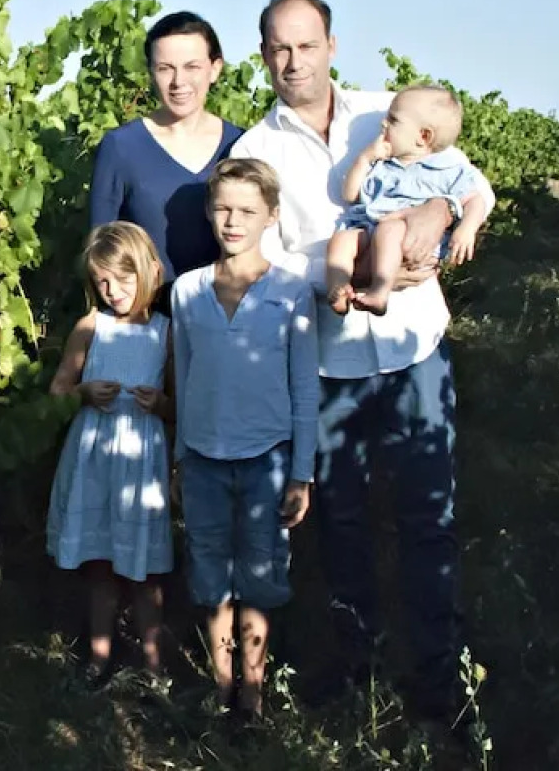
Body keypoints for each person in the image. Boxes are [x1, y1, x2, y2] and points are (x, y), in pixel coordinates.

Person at [228, 0, 495, 726]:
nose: (294, 61)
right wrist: (338, 273)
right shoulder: (255, 152)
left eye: (307, 45)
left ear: (332, 47)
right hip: (329, 364)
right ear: (263, 56)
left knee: (428, 516)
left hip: (415, 348)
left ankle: (440, 688)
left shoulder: (388, 112)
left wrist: (440, 215)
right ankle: (359, 677)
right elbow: (259, 261)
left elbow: (473, 186)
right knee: (341, 523)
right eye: (280, 48)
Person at [168, 158, 318, 722]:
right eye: (223, 209)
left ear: (271, 216)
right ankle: (221, 683)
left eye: (247, 211)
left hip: (267, 457)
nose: (233, 221)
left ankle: (252, 691)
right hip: (203, 456)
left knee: (260, 572)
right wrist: (180, 456)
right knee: (209, 570)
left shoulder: (291, 291)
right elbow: (184, 375)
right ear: (210, 213)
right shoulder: (187, 290)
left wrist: (301, 472)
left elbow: (304, 386)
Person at [44, 220, 176, 687]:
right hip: (96, 455)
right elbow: (58, 389)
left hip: (141, 460)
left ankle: (154, 664)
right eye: (102, 282)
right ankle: (99, 654)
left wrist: (159, 404)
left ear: (149, 273)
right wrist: (83, 392)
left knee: (144, 571)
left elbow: (179, 406)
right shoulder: (90, 327)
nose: (112, 291)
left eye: (122, 279)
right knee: (99, 562)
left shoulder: (165, 333)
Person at [89, 10, 246, 295]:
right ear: (151, 72)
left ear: (215, 69)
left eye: (191, 67)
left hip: (231, 316)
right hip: (148, 315)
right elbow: (100, 250)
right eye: (165, 68)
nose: (178, 81)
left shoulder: (241, 146)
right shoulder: (121, 147)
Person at [325, 84, 488, 316]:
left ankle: (379, 292)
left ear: (424, 136)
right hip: (371, 230)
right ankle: (339, 289)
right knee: (342, 240)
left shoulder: (447, 169)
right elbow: (350, 195)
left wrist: (467, 229)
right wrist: (364, 159)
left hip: (408, 239)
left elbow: (475, 200)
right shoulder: (383, 165)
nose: (384, 124)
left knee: (390, 229)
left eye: (393, 120)